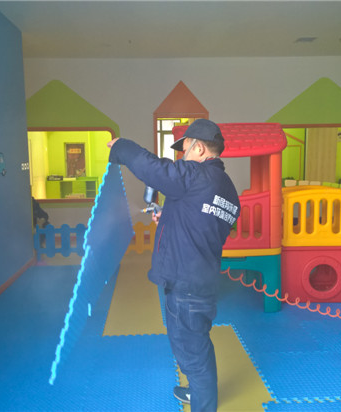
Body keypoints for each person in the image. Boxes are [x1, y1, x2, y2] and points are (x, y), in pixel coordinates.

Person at [107, 119, 240, 411]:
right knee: (195, 345)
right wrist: (168, 217)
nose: (182, 156)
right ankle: (197, 392)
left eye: (185, 149)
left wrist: (121, 146)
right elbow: (203, 225)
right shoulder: (228, 189)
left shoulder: (195, 175)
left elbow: (153, 168)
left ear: (199, 148)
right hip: (202, 280)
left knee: (193, 354)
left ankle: (204, 405)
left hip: (186, 285)